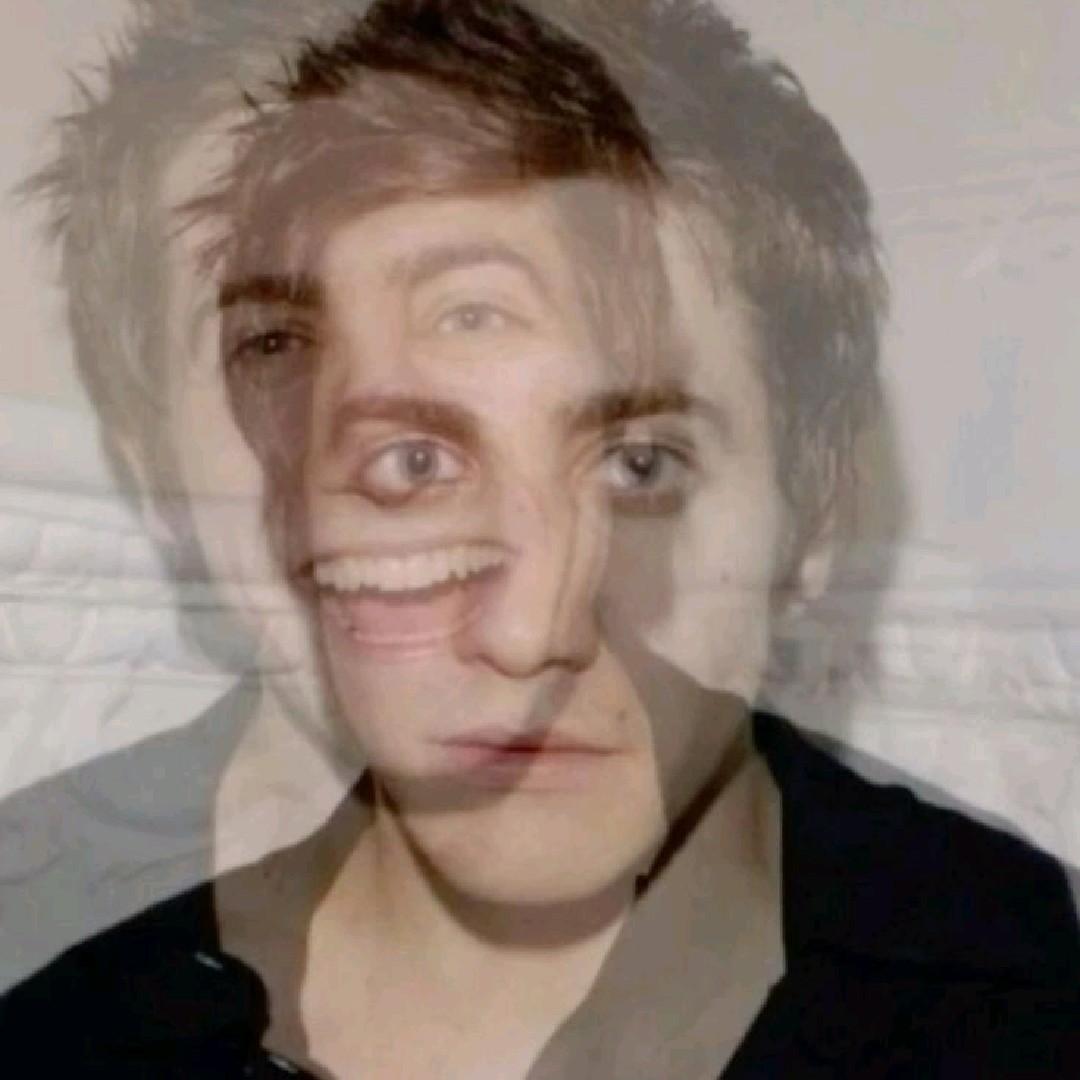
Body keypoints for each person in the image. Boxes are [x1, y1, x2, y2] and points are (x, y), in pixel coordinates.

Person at [5, 1, 1080, 1077]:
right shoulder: (62, 1004)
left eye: (638, 467)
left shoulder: (1021, 993)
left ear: (811, 519)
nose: (523, 636)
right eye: (414, 466)